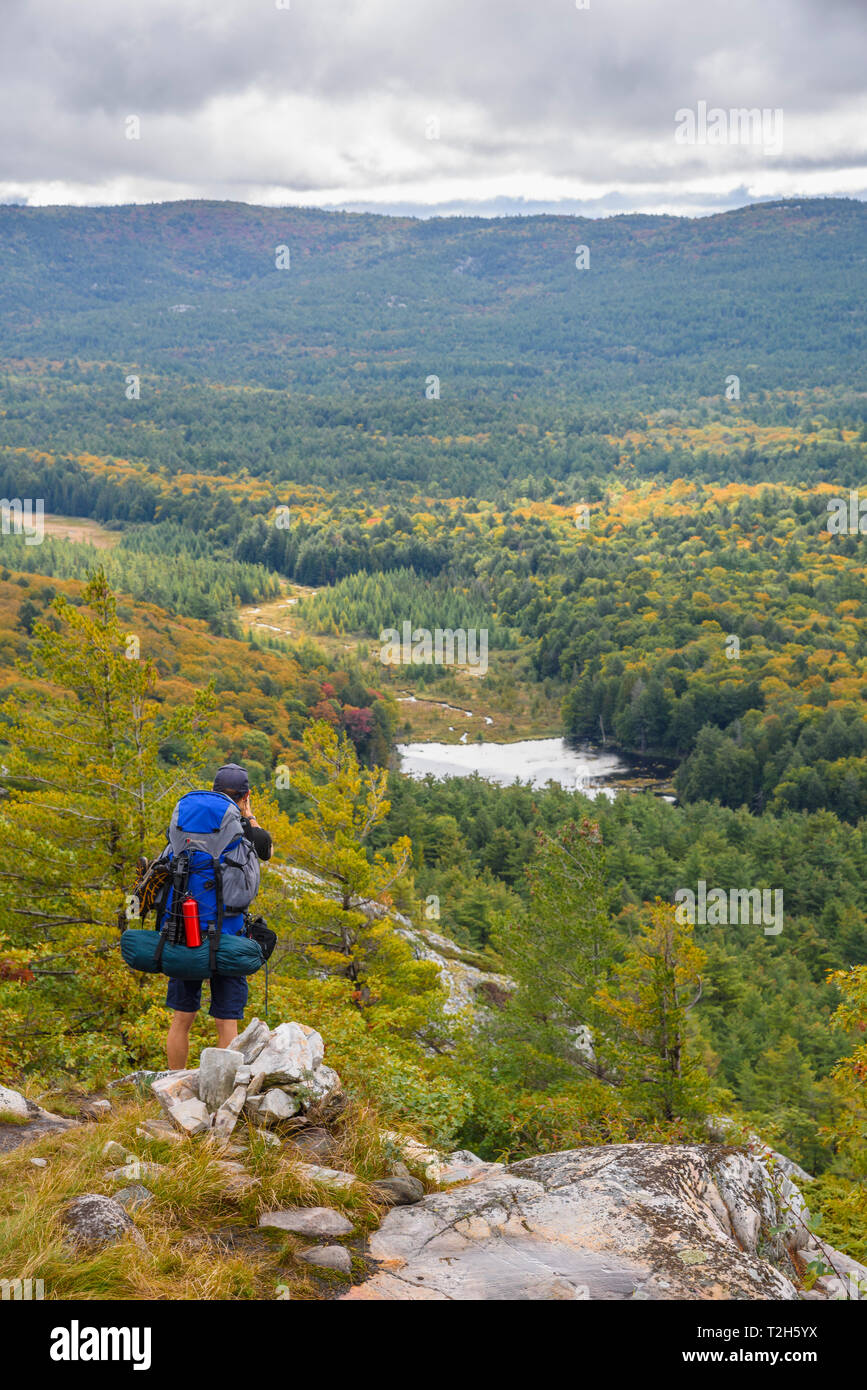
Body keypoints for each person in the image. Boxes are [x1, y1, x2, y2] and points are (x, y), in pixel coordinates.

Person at [166, 764, 272, 1067]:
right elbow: (266, 849)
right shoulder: (243, 829)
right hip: (228, 935)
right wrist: (249, 814)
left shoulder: (185, 822)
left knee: (181, 1019)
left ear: (213, 791)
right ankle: (222, 1091)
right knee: (227, 1021)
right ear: (246, 795)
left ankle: (174, 1087)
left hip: (185, 930)